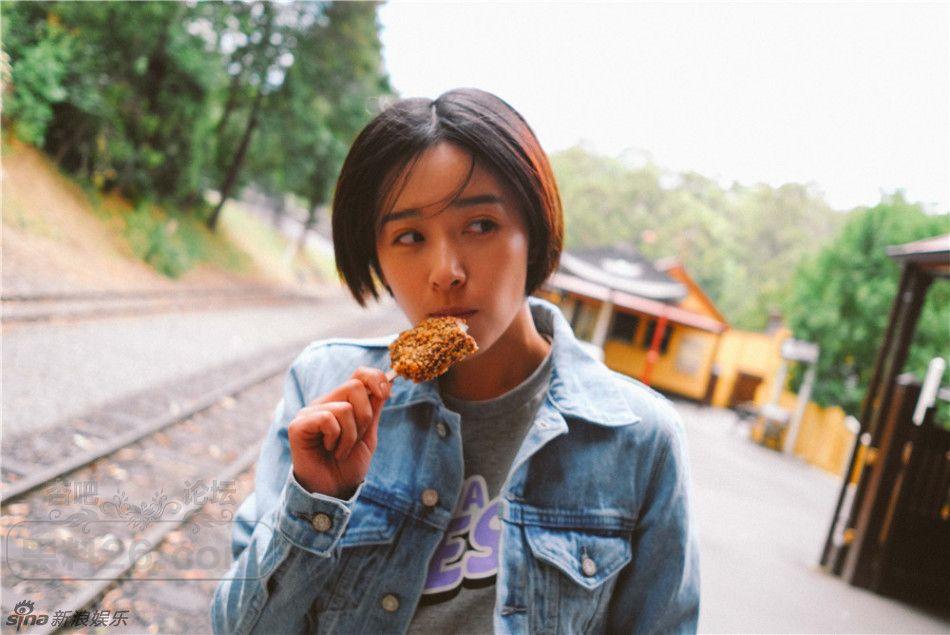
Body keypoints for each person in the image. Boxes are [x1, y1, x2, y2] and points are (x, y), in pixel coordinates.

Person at [211, 88, 700, 634]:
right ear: (378, 258)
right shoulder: (322, 384)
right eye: (409, 236)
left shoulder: (639, 440)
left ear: (533, 230)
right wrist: (316, 500)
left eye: (481, 226)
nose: (445, 271)